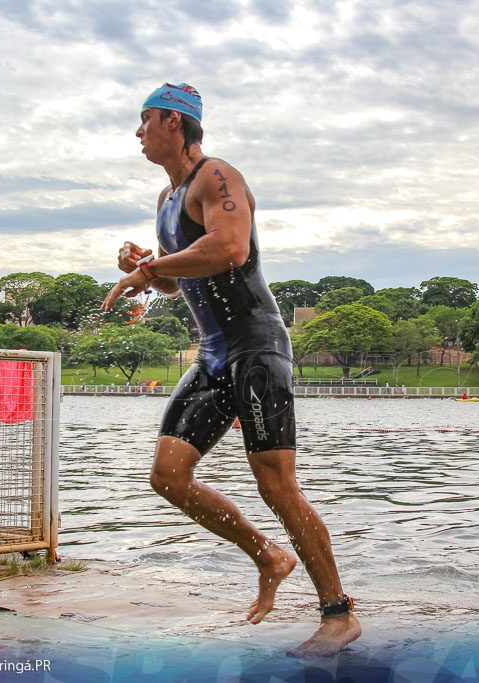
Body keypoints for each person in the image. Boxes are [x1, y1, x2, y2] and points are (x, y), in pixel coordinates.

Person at [102, 83, 361, 656]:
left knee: (275, 484)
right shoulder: (169, 198)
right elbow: (178, 280)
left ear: (174, 122)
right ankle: (269, 556)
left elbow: (230, 248)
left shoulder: (218, 178)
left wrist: (148, 273)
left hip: (256, 347)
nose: (137, 131)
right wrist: (148, 266)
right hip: (214, 355)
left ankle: (338, 614)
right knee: (168, 476)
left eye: (144, 119)